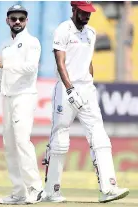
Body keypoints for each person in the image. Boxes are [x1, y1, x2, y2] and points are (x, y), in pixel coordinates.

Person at [41, 1, 129, 203]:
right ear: (74, 9)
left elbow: (88, 61)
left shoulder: (91, 32)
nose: (87, 16)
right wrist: (70, 89)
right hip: (66, 89)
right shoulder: (63, 30)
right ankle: (51, 190)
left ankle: (108, 188)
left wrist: (90, 86)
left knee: (100, 136)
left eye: (89, 12)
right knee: (60, 139)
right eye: (83, 12)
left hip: (86, 89)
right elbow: (60, 62)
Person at [0, 5, 43, 204]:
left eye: (21, 18)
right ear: (7, 21)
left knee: (22, 141)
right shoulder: (5, 46)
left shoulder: (32, 42)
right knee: (10, 145)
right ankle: (19, 192)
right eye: (14, 18)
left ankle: (35, 188)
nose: (18, 22)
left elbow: (31, 68)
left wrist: (6, 64)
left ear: (27, 21)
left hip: (24, 96)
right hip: (8, 97)